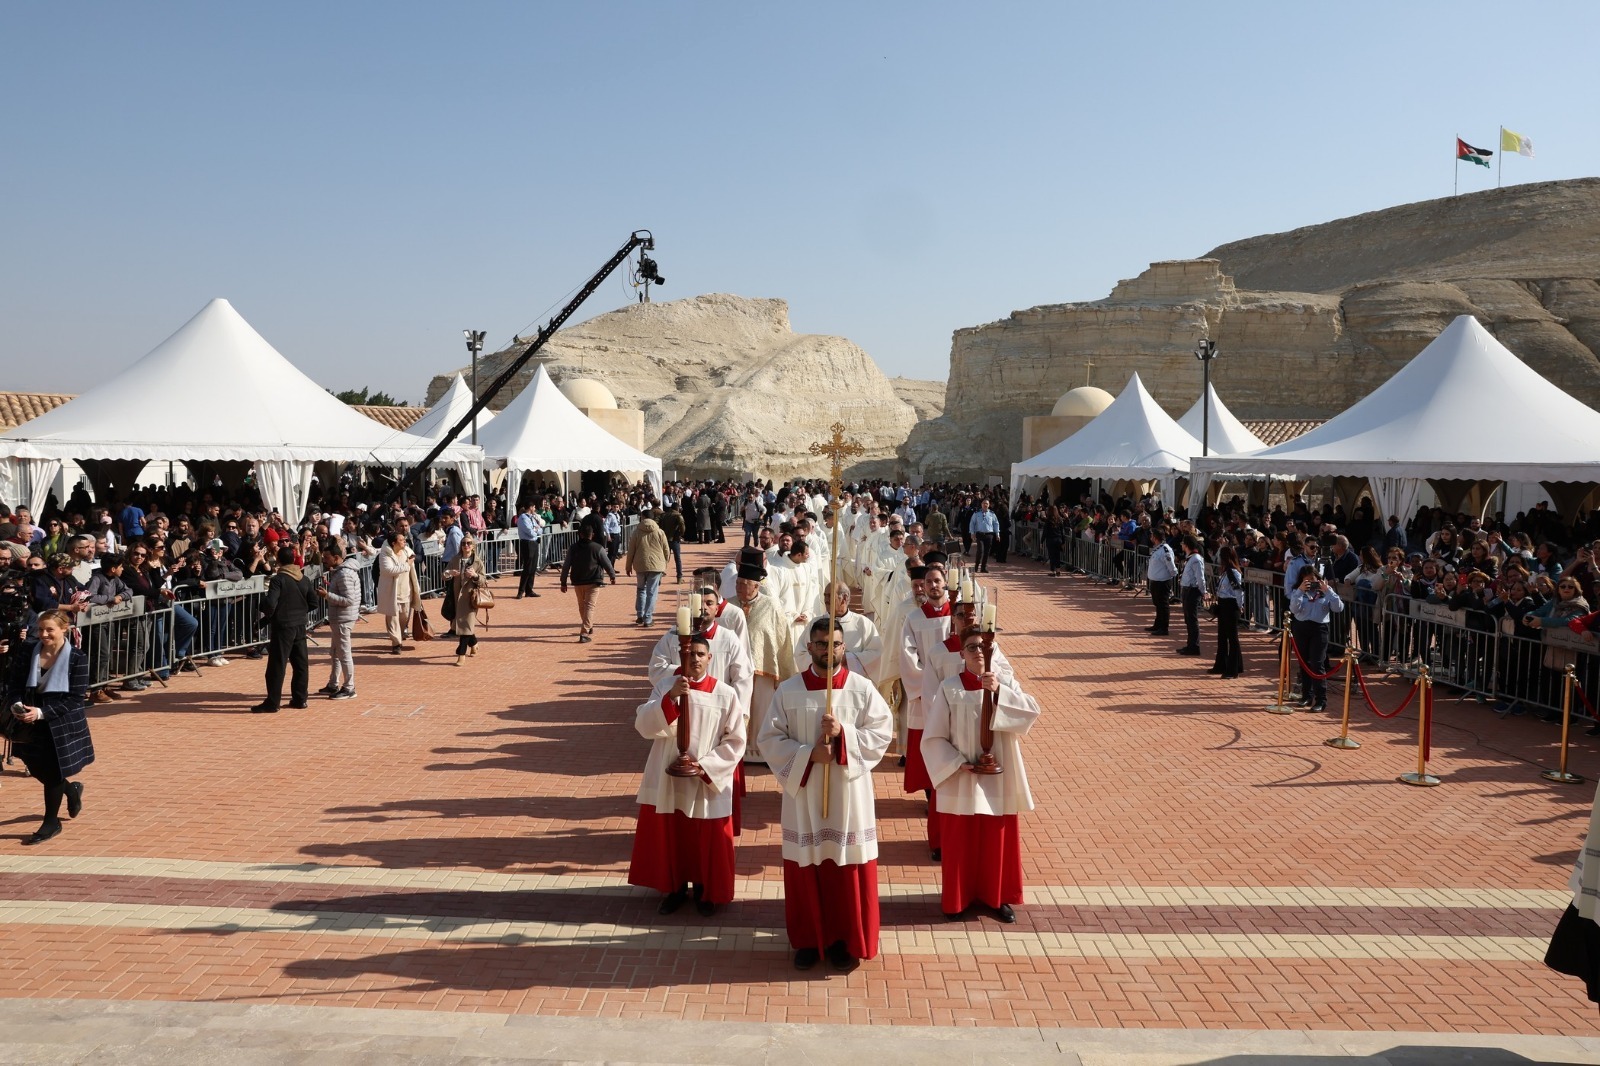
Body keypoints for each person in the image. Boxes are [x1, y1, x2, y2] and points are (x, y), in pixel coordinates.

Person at [758, 618, 894, 971]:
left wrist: (845, 734)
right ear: (809, 647)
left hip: (849, 795)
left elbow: (882, 731)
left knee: (847, 868)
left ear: (843, 646)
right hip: (805, 795)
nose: (827, 650)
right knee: (807, 866)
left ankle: (845, 940)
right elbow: (769, 740)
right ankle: (808, 939)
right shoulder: (788, 691)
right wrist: (809, 755)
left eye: (833, 644)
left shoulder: (861, 689)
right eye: (820, 644)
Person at [922, 626, 1041, 922]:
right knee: (960, 841)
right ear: (961, 654)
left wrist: (999, 691)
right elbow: (933, 737)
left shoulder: (1005, 682)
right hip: (961, 775)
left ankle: (995, 897)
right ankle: (958, 899)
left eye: (984, 647)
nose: (979, 652)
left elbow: (1030, 712)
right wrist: (954, 762)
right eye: (972, 647)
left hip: (996, 777)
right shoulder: (949, 687)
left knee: (994, 841)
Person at [627, 633, 746, 917]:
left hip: (705, 778)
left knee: (705, 838)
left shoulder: (725, 694)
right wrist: (670, 699)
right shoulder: (666, 686)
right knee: (674, 834)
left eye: (700, 654)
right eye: (689, 654)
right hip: (668, 773)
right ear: (682, 657)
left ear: (710, 659)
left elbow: (736, 741)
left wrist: (706, 766)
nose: (694, 659)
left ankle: (706, 890)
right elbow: (643, 724)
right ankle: (675, 888)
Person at [4, 609, 93, 844]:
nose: (43, 634)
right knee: (36, 769)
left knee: (52, 772)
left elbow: (75, 699)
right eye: (41, 629)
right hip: (28, 721)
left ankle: (51, 822)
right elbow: (13, 682)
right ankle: (71, 790)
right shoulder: (28, 651)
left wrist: (42, 713)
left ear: (64, 629)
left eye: (49, 630)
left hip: (59, 722)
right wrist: (16, 704)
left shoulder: (77, 657)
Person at [253, 546, 314, 713]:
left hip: (283, 627)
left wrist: (263, 607)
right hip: (300, 625)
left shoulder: (278, 579)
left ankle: (273, 702)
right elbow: (314, 602)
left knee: (277, 666)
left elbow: (271, 603)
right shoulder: (303, 578)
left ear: (279, 560)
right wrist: (300, 612)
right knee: (300, 664)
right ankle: (300, 699)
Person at [1288, 566, 1345, 712]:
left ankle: (1321, 700)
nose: (1310, 583)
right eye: (1306, 580)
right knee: (1304, 663)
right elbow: (1294, 610)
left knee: (1317, 664)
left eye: (1312, 580)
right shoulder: (1298, 592)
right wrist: (1300, 590)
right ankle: (1306, 695)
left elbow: (1338, 608)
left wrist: (1328, 590)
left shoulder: (1325, 592)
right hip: (1301, 627)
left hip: (1319, 629)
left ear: (1318, 579)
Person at [316, 542, 361, 699]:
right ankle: (333, 684)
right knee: (336, 653)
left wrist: (327, 595)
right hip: (340, 617)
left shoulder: (344, 574)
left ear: (336, 557)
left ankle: (349, 687)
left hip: (343, 618)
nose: (324, 560)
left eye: (327, 557)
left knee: (344, 653)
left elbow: (348, 599)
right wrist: (329, 587)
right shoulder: (341, 572)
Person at [559, 525, 616, 643]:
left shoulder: (573, 548)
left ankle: (587, 625)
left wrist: (563, 581)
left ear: (580, 534)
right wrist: (612, 576)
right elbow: (607, 563)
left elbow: (566, 566)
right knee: (589, 606)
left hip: (578, 581)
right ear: (592, 535)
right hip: (593, 581)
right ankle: (584, 632)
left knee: (582, 605)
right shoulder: (597, 548)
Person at [446, 533, 488, 666]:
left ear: (473, 546)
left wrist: (475, 575)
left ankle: (461, 654)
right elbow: (444, 574)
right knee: (464, 625)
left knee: (465, 625)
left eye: (469, 543)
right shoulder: (455, 559)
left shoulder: (477, 561)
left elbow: (483, 580)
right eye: (463, 543)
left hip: (470, 598)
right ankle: (474, 643)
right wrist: (449, 573)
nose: (466, 546)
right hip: (456, 597)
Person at [624, 511, 671, 627]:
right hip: (656, 565)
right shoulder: (660, 532)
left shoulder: (636, 532)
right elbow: (666, 550)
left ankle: (640, 615)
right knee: (652, 592)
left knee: (641, 589)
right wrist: (664, 563)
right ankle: (648, 618)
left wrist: (628, 565)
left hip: (640, 564)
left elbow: (631, 551)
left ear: (642, 517)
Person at [376, 530, 418, 655]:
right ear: (394, 543)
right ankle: (396, 643)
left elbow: (416, 556)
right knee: (392, 618)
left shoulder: (407, 551)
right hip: (391, 592)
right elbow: (388, 569)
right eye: (401, 540)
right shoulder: (384, 554)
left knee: (404, 617)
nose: (404, 541)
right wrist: (407, 565)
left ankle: (400, 635)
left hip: (406, 591)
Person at [1210, 545, 1245, 679]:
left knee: (1232, 638)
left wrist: (1240, 606)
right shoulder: (1225, 572)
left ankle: (1232, 669)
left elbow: (1238, 591)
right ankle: (1221, 665)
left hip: (1231, 605)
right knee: (1222, 636)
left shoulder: (1232, 572)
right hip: (1223, 604)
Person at [1175, 535, 1206, 657]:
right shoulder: (1190, 558)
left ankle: (1194, 646)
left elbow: (1200, 577)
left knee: (1192, 619)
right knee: (1188, 619)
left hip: (1192, 590)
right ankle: (1190, 644)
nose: (1181, 545)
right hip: (1186, 590)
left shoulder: (1196, 559)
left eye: (1183, 543)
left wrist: (1203, 592)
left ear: (1187, 545)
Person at [1146, 530, 1177, 636]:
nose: (1151, 538)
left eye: (1152, 536)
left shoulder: (1165, 549)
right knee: (1157, 604)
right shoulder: (1158, 548)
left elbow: (1171, 567)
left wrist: (1172, 576)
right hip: (1155, 581)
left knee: (1163, 605)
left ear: (1155, 537)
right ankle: (1158, 624)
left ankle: (1164, 628)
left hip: (1162, 582)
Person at [515, 500, 545, 599]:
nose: (535, 509)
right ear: (530, 507)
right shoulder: (523, 518)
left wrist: (536, 529)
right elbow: (530, 532)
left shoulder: (532, 517)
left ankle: (529, 590)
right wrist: (536, 529)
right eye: (534, 507)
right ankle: (521, 591)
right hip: (527, 543)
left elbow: (541, 529)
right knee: (527, 568)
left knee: (533, 568)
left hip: (534, 542)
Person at [968, 499, 1000, 572]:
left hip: (989, 535)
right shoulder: (976, 513)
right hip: (980, 534)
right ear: (981, 504)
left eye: (987, 504)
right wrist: (972, 533)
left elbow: (996, 524)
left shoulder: (992, 514)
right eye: (984, 503)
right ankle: (976, 566)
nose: (985, 505)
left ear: (989, 505)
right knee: (980, 550)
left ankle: (983, 567)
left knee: (986, 552)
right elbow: (972, 523)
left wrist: (997, 534)